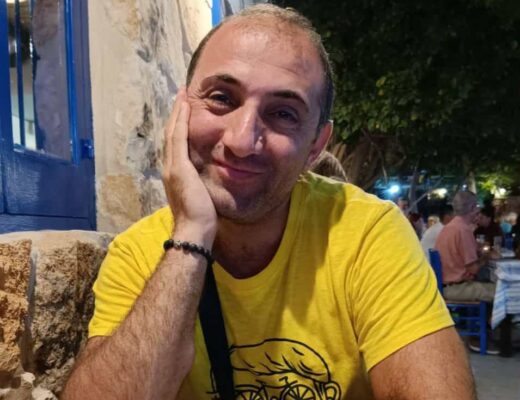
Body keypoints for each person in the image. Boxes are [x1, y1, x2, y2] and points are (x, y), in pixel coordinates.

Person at [62, 5, 475, 400]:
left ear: (316, 146)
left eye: (284, 114)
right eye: (222, 98)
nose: (242, 141)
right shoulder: (138, 253)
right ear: (180, 111)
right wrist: (191, 234)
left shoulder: (366, 233)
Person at [435, 191, 495, 303]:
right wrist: (486, 257)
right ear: (472, 208)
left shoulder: (449, 227)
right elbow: (473, 269)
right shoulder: (463, 230)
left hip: (446, 286)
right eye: (477, 206)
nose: (478, 210)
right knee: (504, 291)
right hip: (458, 288)